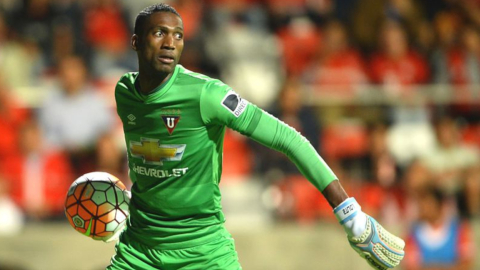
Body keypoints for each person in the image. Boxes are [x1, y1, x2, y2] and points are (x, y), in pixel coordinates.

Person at [108, 4, 405, 270]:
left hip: (202, 251)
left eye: (178, 35)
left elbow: (290, 139)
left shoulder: (206, 94)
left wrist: (350, 215)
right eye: (159, 33)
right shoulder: (125, 92)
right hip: (139, 252)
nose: (170, 43)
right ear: (135, 41)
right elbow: (154, 163)